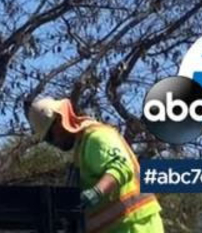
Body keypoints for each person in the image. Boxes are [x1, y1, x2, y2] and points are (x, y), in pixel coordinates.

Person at [27, 97, 162, 233]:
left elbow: (122, 166)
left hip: (136, 225)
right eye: (47, 141)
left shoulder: (97, 137)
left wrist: (96, 192)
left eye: (50, 137)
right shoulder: (81, 149)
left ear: (60, 120)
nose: (53, 143)